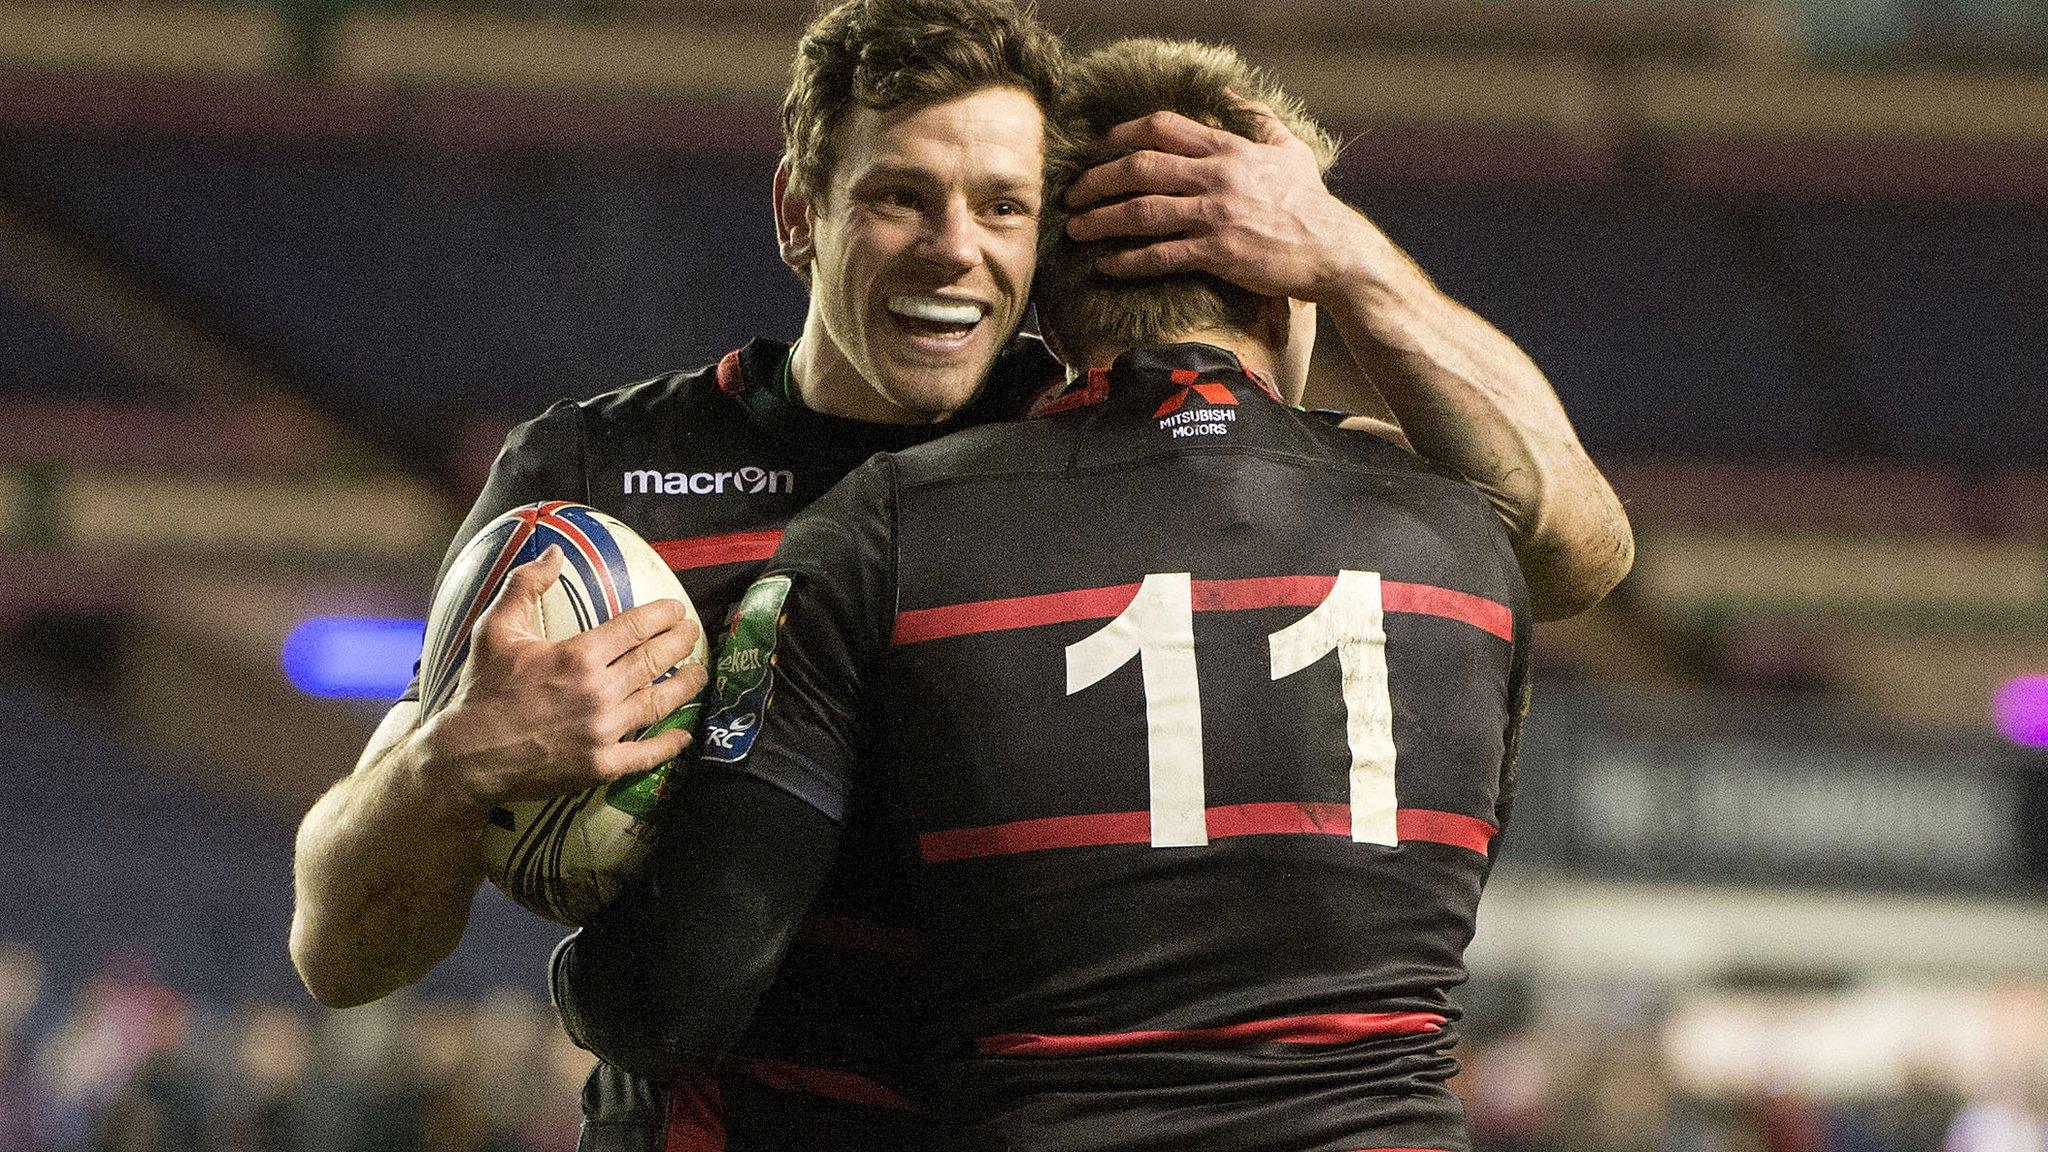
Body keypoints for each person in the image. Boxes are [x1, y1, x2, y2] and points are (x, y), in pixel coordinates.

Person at [290, 0, 1630, 1146]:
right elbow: (344, 954)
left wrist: (1347, 254)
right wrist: (445, 762)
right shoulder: (598, 478)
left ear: (1049, 257)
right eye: (899, 197)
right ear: (799, 213)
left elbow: (1575, 541)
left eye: (1003, 206)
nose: (953, 248)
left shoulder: (1127, 467)